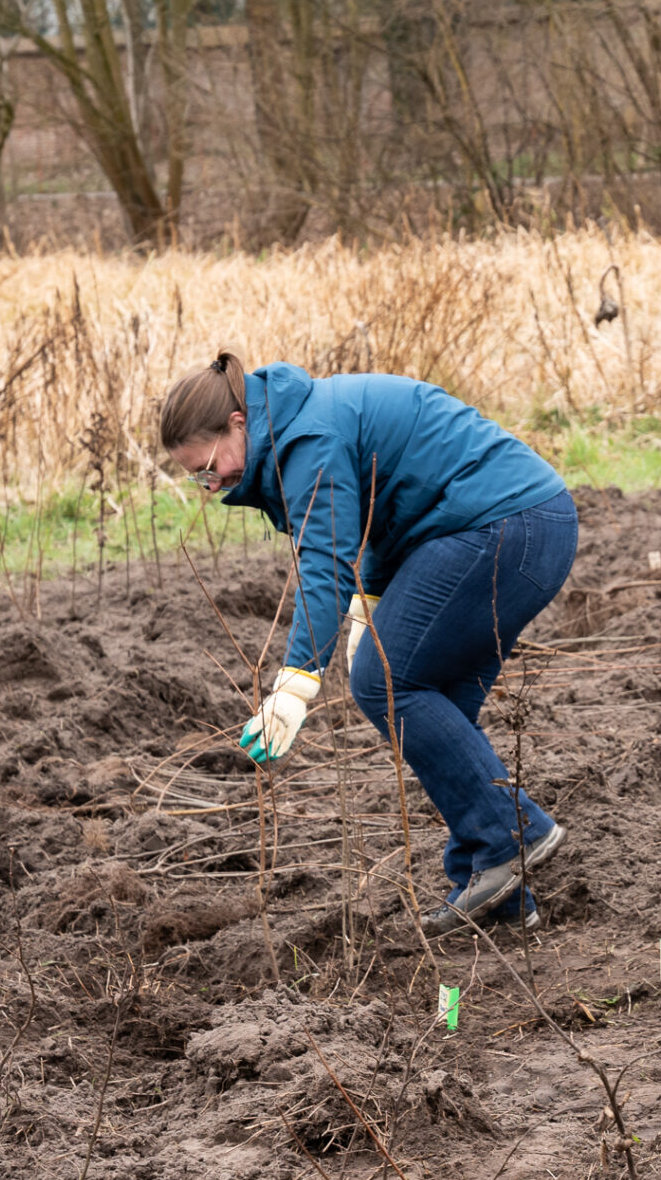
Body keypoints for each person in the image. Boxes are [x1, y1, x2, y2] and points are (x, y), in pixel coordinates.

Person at [158, 354, 577, 934]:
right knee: (437, 707)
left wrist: (295, 685)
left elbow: (326, 561)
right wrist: (373, 603)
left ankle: (517, 836)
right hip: (527, 525)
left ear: (237, 422)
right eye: (197, 478)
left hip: (504, 526)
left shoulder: (307, 440)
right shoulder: (298, 425)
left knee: (384, 680)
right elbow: (386, 514)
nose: (211, 485)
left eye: (208, 468)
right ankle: (495, 887)